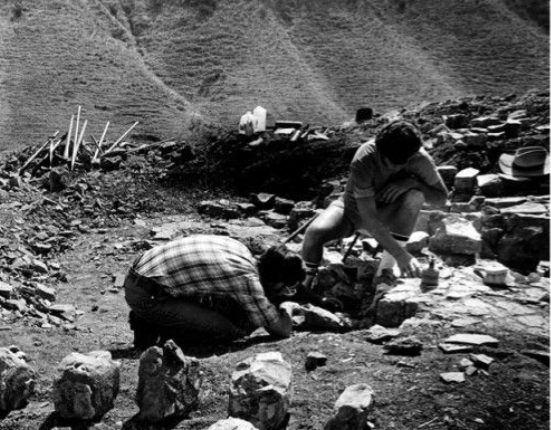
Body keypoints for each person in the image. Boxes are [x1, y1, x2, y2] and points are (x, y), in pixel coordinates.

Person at [301, 120, 449, 285]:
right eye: (387, 162)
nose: (392, 169)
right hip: (352, 210)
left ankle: (385, 271)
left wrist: (414, 183)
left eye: (399, 164)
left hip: (389, 213)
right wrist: (402, 254)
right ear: (379, 150)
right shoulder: (364, 158)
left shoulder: (420, 159)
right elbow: (369, 218)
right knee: (314, 234)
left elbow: (441, 199)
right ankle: (305, 284)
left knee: (415, 196)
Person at [124, 235, 304, 348]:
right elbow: (282, 330)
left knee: (215, 303)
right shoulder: (247, 281)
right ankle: (152, 323)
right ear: (276, 282)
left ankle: (154, 317)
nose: (286, 292)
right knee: (233, 331)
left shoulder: (239, 248)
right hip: (147, 295)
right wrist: (286, 306)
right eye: (286, 289)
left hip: (141, 271)